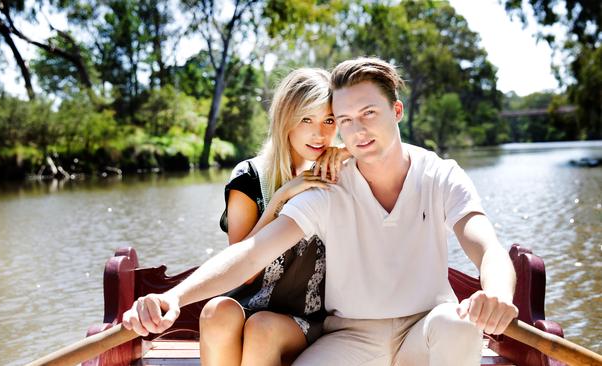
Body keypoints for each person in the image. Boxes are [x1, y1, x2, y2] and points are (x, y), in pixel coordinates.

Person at [122, 58, 519, 366]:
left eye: (369, 114)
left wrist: (498, 296)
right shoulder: (326, 183)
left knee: (460, 326)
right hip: (351, 338)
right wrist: (172, 297)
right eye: (345, 120)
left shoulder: (440, 174)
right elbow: (252, 252)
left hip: (427, 326)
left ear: (397, 110)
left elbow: (486, 246)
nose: (358, 130)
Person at [199, 68, 347, 366]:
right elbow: (242, 271)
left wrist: (349, 154)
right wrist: (280, 199)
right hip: (248, 308)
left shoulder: (343, 173)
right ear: (285, 119)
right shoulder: (251, 177)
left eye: (329, 120)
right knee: (216, 312)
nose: (319, 133)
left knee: (262, 328)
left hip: (307, 319)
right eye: (306, 119)